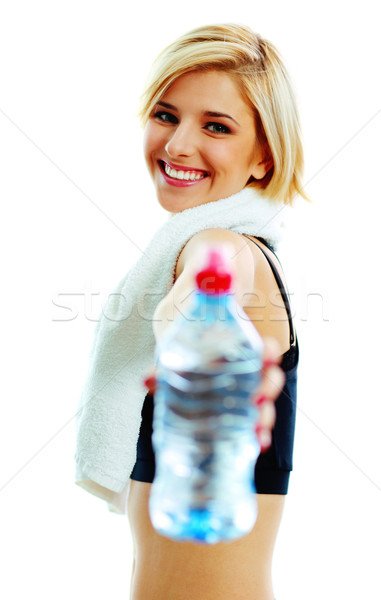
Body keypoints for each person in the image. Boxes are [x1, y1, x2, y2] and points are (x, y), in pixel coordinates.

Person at [75, 23, 309, 600]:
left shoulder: (231, 247)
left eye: (216, 127)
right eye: (165, 115)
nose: (177, 144)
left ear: (263, 158)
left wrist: (198, 322)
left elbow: (216, 263)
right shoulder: (201, 244)